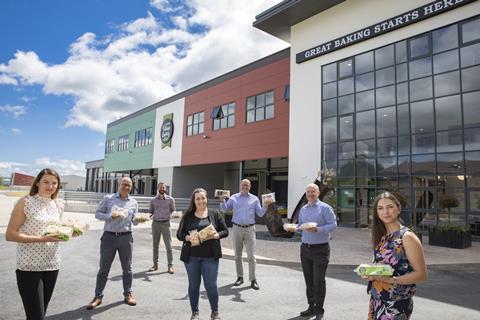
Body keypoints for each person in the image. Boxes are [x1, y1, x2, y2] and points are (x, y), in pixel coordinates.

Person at [6, 168, 64, 320]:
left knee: (41, 313)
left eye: (54, 183)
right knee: (36, 316)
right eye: (46, 182)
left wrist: (68, 233)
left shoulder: (59, 204)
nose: (50, 186)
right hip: (29, 265)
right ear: (37, 183)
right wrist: (41, 239)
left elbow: (56, 230)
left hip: (52, 265)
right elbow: (10, 234)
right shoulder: (25, 202)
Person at [361, 192, 427, 320]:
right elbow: (383, 265)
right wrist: (370, 273)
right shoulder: (381, 236)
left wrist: (391, 280)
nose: (385, 211)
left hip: (396, 304)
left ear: (398, 209)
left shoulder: (407, 237)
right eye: (380, 208)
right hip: (377, 300)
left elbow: (422, 275)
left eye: (390, 206)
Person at [86, 177, 139, 310]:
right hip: (109, 237)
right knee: (104, 268)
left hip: (126, 237)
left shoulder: (133, 202)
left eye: (129, 185)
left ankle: (128, 294)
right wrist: (111, 216)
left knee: (127, 268)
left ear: (131, 187)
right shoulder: (108, 198)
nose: (126, 187)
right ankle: (98, 296)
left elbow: (134, 220)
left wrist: (139, 220)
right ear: (119, 184)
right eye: (124, 184)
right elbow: (97, 214)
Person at [287, 183, 337, 320]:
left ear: (318, 193)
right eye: (308, 192)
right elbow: (301, 225)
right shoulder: (303, 209)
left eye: (313, 192)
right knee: (309, 280)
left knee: (318, 280)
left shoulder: (325, 208)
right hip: (305, 248)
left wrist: (318, 229)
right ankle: (311, 307)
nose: (310, 194)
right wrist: (293, 228)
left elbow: (333, 224)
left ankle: (319, 309)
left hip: (321, 248)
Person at [177, 188, 228, 320]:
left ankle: (215, 312)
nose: (201, 201)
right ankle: (195, 312)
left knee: (211, 285)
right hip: (192, 257)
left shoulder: (214, 214)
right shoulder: (188, 216)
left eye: (203, 198)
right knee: (194, 285)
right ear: (194, 201)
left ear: (207, 199)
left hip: (210, 257)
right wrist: (188, 238)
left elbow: (225, 231)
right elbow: (179, 234)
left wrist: (217, 235)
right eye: (198, 198)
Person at [219, 179, 265, 290]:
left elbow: (260, 213)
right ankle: (240, 277)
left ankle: (253, 279)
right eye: (243, 185)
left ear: (250, 187)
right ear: (240, 186)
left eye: (247, 185)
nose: (245, 186)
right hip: (237, 229)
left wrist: (266, 205)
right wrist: (222, 200)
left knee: (251, 256)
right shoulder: (234, 197)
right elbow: (225, 209)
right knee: (237, 256)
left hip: (250, 229)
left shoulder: (254, 199)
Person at [148, 182, 176, 274]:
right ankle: (155, 265)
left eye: (163, 187)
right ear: (157, 188)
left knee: (169, 246)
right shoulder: (153, 200)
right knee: (155, 246)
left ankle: (170, 266)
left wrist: (174, 215)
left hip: (166, 224)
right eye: (160, 187)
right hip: (155, 223)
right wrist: (147, 216)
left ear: (165, 189)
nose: (162, 189)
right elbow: (150, 212)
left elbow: (173, 211)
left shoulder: (170, 199)